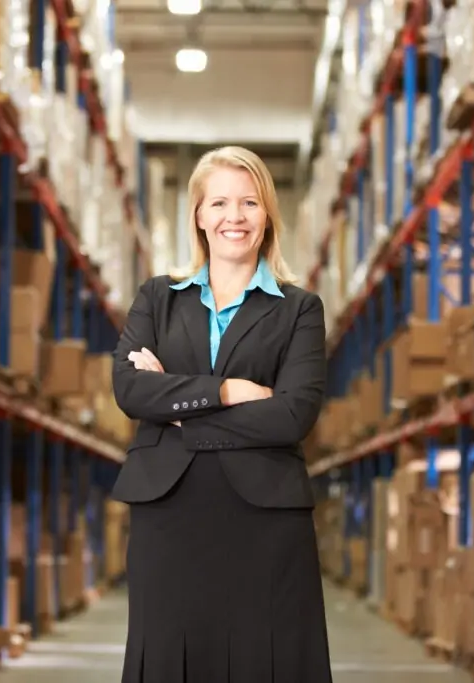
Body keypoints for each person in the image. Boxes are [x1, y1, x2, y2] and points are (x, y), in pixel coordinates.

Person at [110, 145, 333, 683]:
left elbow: (292, 415)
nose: (234, 217)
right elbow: (131, 390)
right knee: (169, 659)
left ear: (267, 215)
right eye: (220, 203)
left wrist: (182, 411)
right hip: (169, 512)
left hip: (264, 518)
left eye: (250, 202)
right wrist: (229, 391)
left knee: (266, 659)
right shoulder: (157, 298)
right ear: (199, 216)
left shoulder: (299, 308)